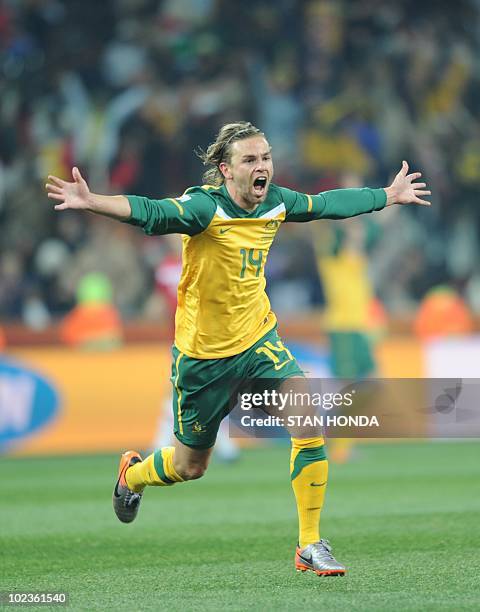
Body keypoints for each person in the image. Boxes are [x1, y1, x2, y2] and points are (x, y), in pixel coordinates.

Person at [46, 121, 431, 577]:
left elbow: (326, 205)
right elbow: (150, 211)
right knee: (191, 466)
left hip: (258, 342)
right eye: (250, 160)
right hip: (203, 361)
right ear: (226, 171)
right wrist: (93, 202)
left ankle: (310, 544)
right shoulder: (203, 208)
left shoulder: (276, 202)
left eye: (265, 157)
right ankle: (132, 475)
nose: (262, 166)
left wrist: (385, 195)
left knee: (306, 416)